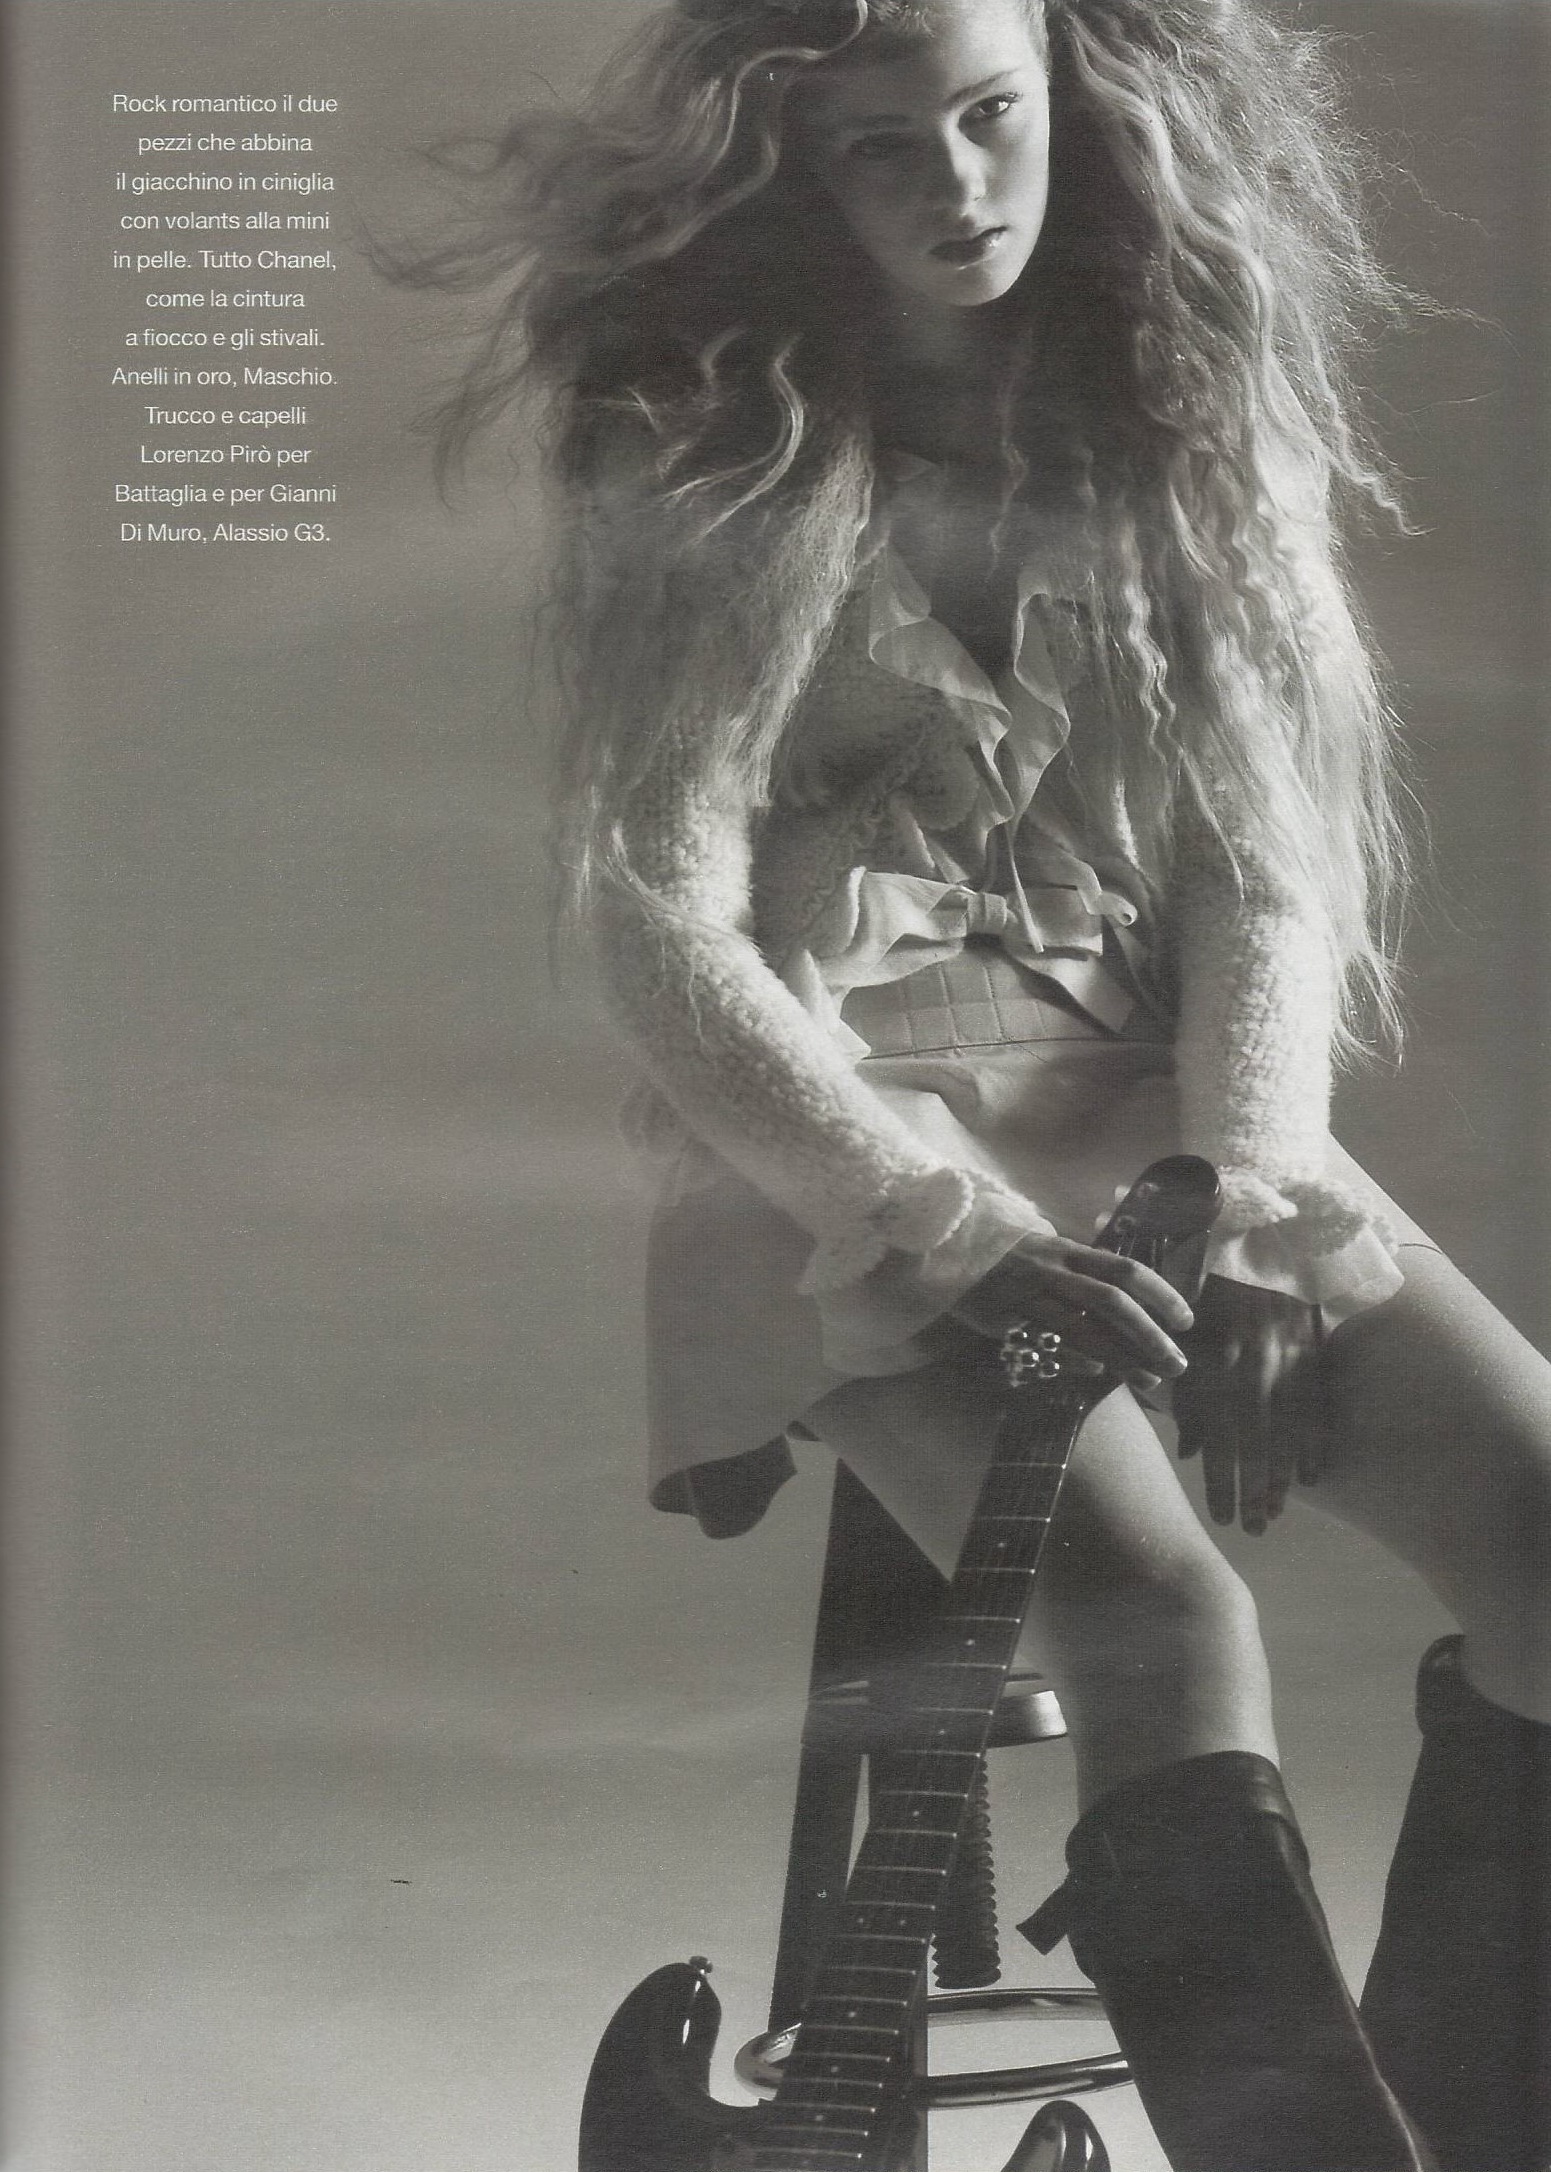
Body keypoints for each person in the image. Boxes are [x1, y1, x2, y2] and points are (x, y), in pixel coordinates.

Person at [389, 2, 1550, 2164]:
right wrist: (940, 1228)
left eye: (993, 117)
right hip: (838, 1146)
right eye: (879, 148)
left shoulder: (1192, 422)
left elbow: (1262, 876)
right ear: (785, 173)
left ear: (1082, 101)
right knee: (1159, 1612)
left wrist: (1251, 1189)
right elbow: (657, 920)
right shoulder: (717, 453)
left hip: (1171, 1115)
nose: (958, 187)